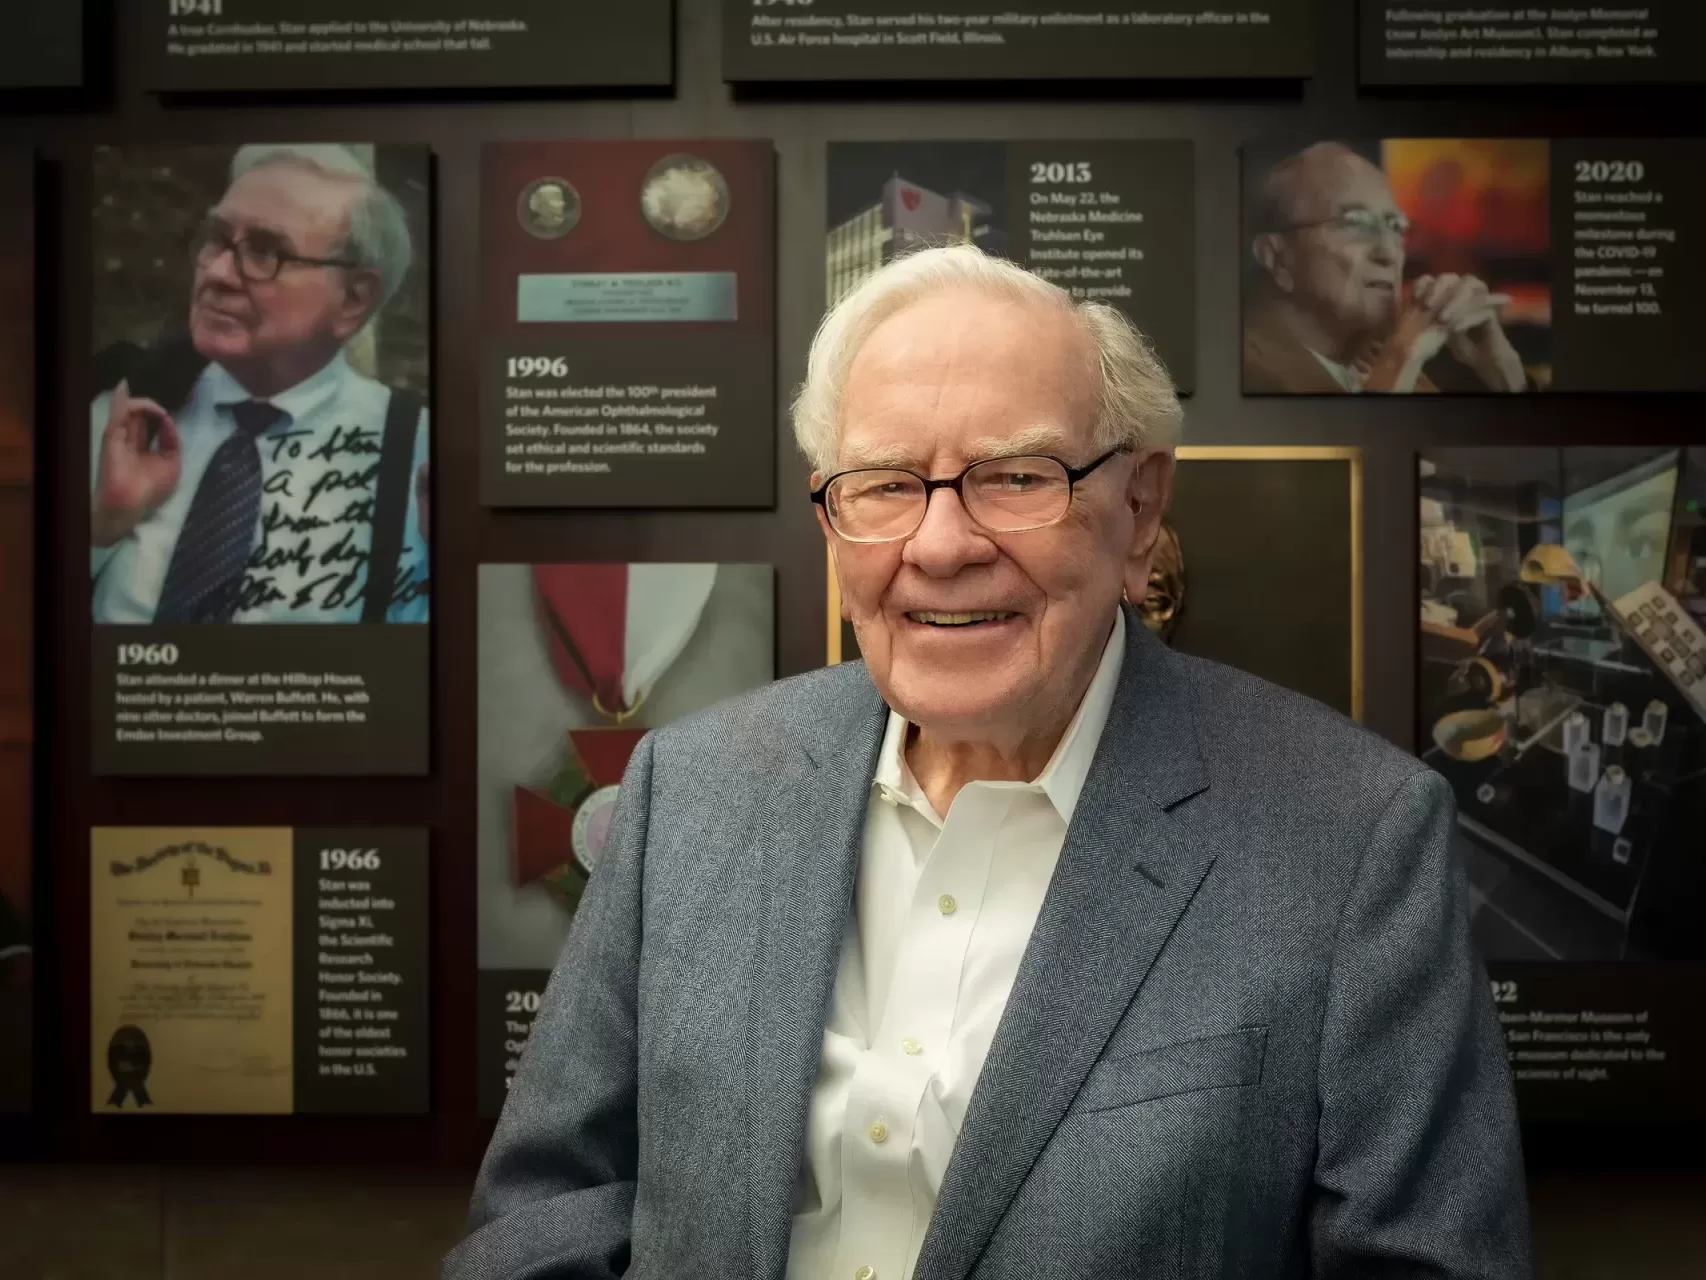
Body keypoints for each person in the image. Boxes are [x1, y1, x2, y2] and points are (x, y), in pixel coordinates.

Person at [449, 245, 1531, 1279]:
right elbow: (547, 1207)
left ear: (1139, 508)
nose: (939, 545)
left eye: (1015, 475)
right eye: (881, 484)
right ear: (829, 515)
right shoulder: (689, 789)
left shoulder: (1349, 838)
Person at [90, 144, 429, 624]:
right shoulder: (113, 405)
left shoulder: (421, 455)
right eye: (216, 239)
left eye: (266, 251)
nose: (218, 273)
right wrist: (102, 528)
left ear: (354, 299)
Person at [1245, 141, 1527, 395]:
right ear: (1276, 257)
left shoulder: (1381, 360)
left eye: (1395, 227)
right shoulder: (1244, 372)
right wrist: (1399, 359)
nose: (1389, 253)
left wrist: (1505, 375)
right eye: (1356, 223)